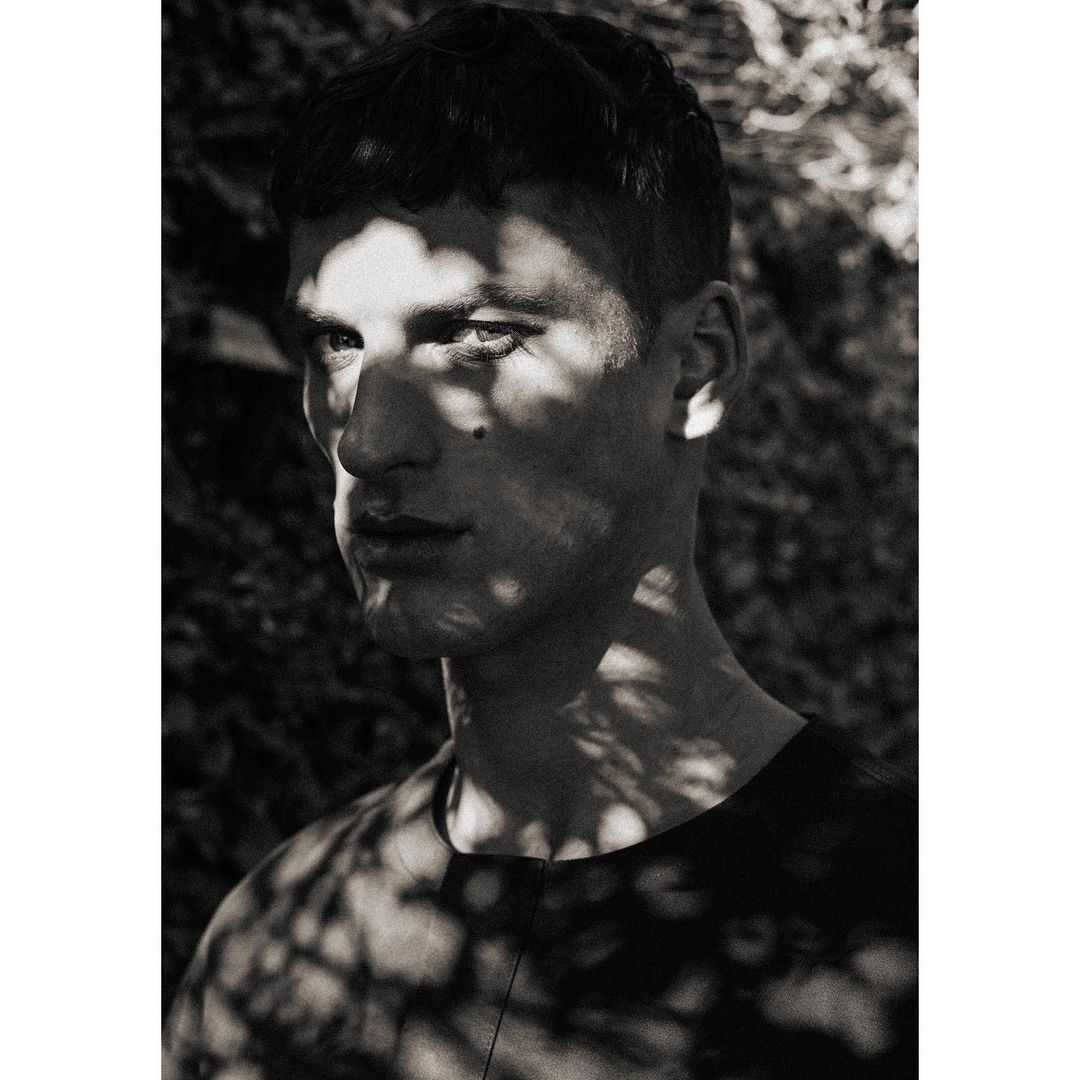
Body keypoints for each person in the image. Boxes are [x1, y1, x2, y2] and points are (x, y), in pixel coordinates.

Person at [163, 4, 916, 1078]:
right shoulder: (268, 946)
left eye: (478, 337)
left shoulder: (924, 952)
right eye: (335, 342)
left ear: (696, 367)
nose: (367, 439)